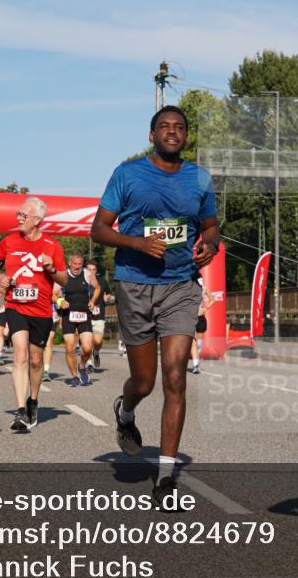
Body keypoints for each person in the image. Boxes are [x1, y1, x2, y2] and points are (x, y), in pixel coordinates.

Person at [91, 105, 221, 504]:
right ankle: (126, 412)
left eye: (178, 127)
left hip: (180, 286)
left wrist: (210, 247)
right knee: (145, 382)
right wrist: (137, 243)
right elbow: (98, 228)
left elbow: (210, 227)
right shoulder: (127, 174)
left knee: (175, 377)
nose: (171, 132)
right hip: (134, 284)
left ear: (185, 136)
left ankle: (165, 478)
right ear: (152, 136)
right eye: (164, 127)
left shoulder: (199, 178)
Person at [0, 197, 68, 431]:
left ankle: (33, 400)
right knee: (20, 354)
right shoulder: (9, 241)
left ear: (37, 220)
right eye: (18, 214)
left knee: (35, 361)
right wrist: (0, 277)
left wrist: (52, 269)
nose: (19, 218)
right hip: (16, 306)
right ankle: (21, 410)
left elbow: (64, 278)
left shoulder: (52, 246)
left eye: (24, 215)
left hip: (42, 309)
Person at [59, 252, 97, 386]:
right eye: (74, 264)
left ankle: (82, 366)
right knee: (70, 347)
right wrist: (60, 301)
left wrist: (92, 300)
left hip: (84, 314)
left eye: (79, 264)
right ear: (70, 264)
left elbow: (97, 288)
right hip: (68, 315)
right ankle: (74, 375)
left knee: (87, 348)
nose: (77, 267)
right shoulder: (63, 275)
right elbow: (53, 294)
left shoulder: (87, 274)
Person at [85, 259, 112, 371]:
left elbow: (108, 293)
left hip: (99, 315)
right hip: (85, 316)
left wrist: (107, 297)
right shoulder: (82, 281)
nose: (91, 272)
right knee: (87, 342)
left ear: (96, 271)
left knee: (97, 341)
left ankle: (96, 352)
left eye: (93, 270)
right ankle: (88, 363)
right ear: (86, 270)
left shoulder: (102, 281)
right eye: (89, 270)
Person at [189, 276, 215, 374]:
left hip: (200, 317)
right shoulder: (189, 289)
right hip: (191, 318)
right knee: (193, 342)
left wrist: (206, 308)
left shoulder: (204, 289)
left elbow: (213, 300)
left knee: (198, 344)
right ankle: (196, 365)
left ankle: (196, 362)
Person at [42, 286, 64, 381]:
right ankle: (33, 367)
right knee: (34, 345)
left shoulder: (56, 279)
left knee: (48, 343)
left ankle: (46, 371)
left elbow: (60, 295)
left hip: (51, 313)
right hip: (35, 312)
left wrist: (58, 295)